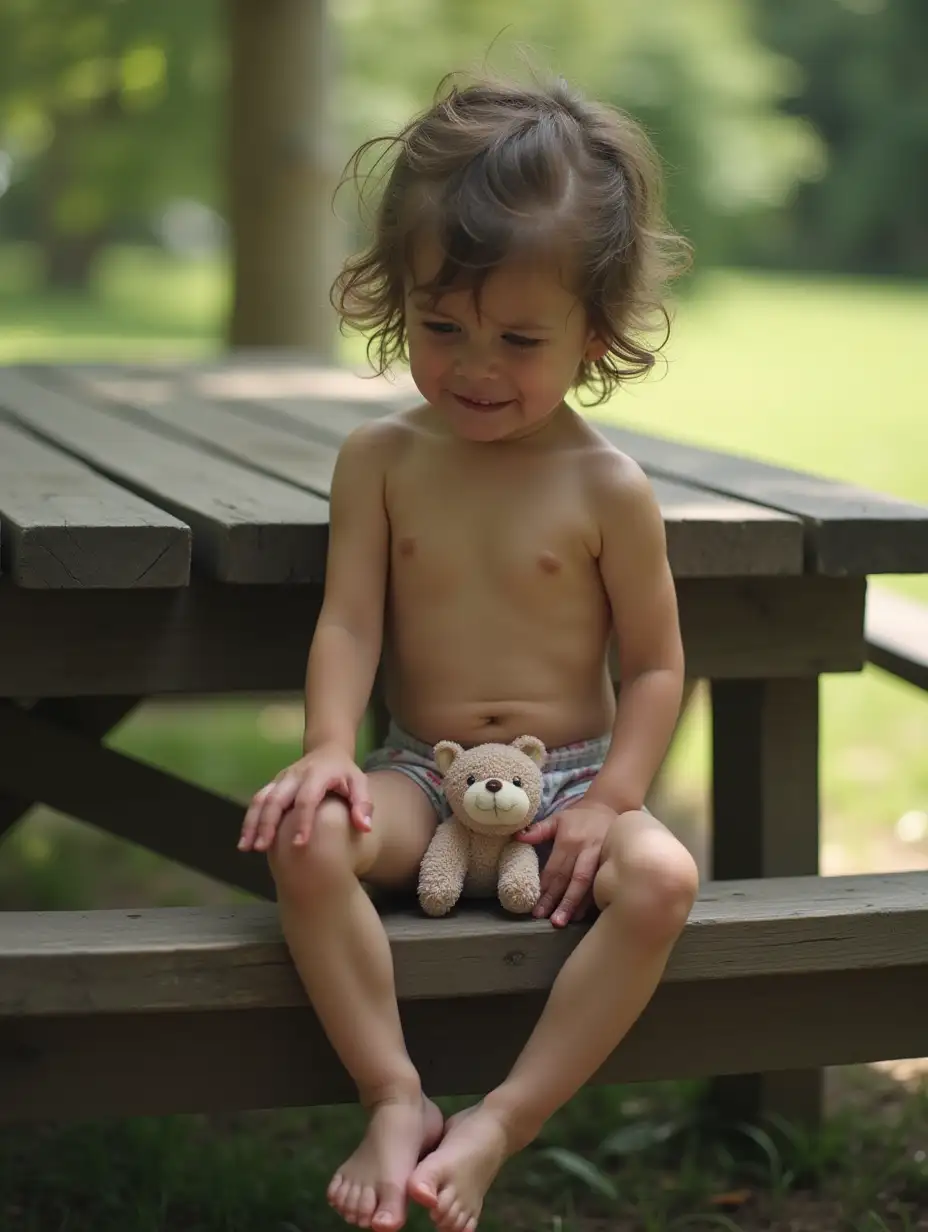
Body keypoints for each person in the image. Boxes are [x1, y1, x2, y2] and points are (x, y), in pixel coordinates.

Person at [238, 70, 699, 1232]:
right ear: (398, 300)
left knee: (662, 879)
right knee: (305, 842)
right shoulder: (381, 461)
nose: (473, 366)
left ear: (595, 333)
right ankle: (392, 1092)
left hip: (577, 781)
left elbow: (653, 665)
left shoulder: (608, 486)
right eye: (440, 327)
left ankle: (503, 1119)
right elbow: (349, 620)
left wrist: (615, 801)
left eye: (518, 337)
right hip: (418, 771)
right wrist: (329, 751)